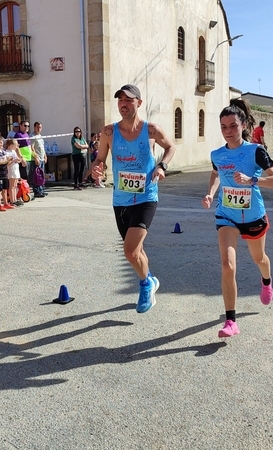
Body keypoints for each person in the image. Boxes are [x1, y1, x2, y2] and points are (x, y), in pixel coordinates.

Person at [202, 98, 273, 338]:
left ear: (244, 125)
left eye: (233, 126)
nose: (228, 131)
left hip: (253, 216)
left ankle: (267, 281)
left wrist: (252, 180)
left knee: (259, 258)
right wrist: (210, 193)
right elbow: (216, 175)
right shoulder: (217, 154)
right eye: (224, 127)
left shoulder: (256, 151)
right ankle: (231, 322)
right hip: (226, 215)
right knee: (227, 266)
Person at [91, 83, 176, 313]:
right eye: (120, 100)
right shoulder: (108, 132)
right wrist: (97, 168)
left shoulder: (151, 130)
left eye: (128, 100)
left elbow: (170, 147)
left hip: (146, 196)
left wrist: (162, 166)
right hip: (120, 199)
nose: (123, 104)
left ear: (139, 102)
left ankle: (145, 284)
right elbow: (99, 159)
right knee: (136, 250)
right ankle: (150, 279)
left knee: (129, 251)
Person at [4, 138, 25, 206]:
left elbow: (17, 160)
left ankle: (15, 199)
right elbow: (7, 163)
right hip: (11, 170)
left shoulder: (13, 152)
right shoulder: (7, 152)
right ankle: (12, 200)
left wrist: (19, 159)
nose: (16, 146)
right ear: (10, 145)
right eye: (15, 145)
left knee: (15, 185)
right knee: (12, 186)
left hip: (16, 169)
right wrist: (13, 160)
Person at [30, 121, 48, 197]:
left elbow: (42, 148)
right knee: (37, 176)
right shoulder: (32, 136)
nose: (38, 129)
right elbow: (32, 148)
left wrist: (45, 156)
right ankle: (37, 191)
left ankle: (41, 190)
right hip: (36, 159)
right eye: (37, 127)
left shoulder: (40, 136)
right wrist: (36, 157)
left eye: (40, 127)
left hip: (42, 158)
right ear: (34, 127)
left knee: (41, 175)